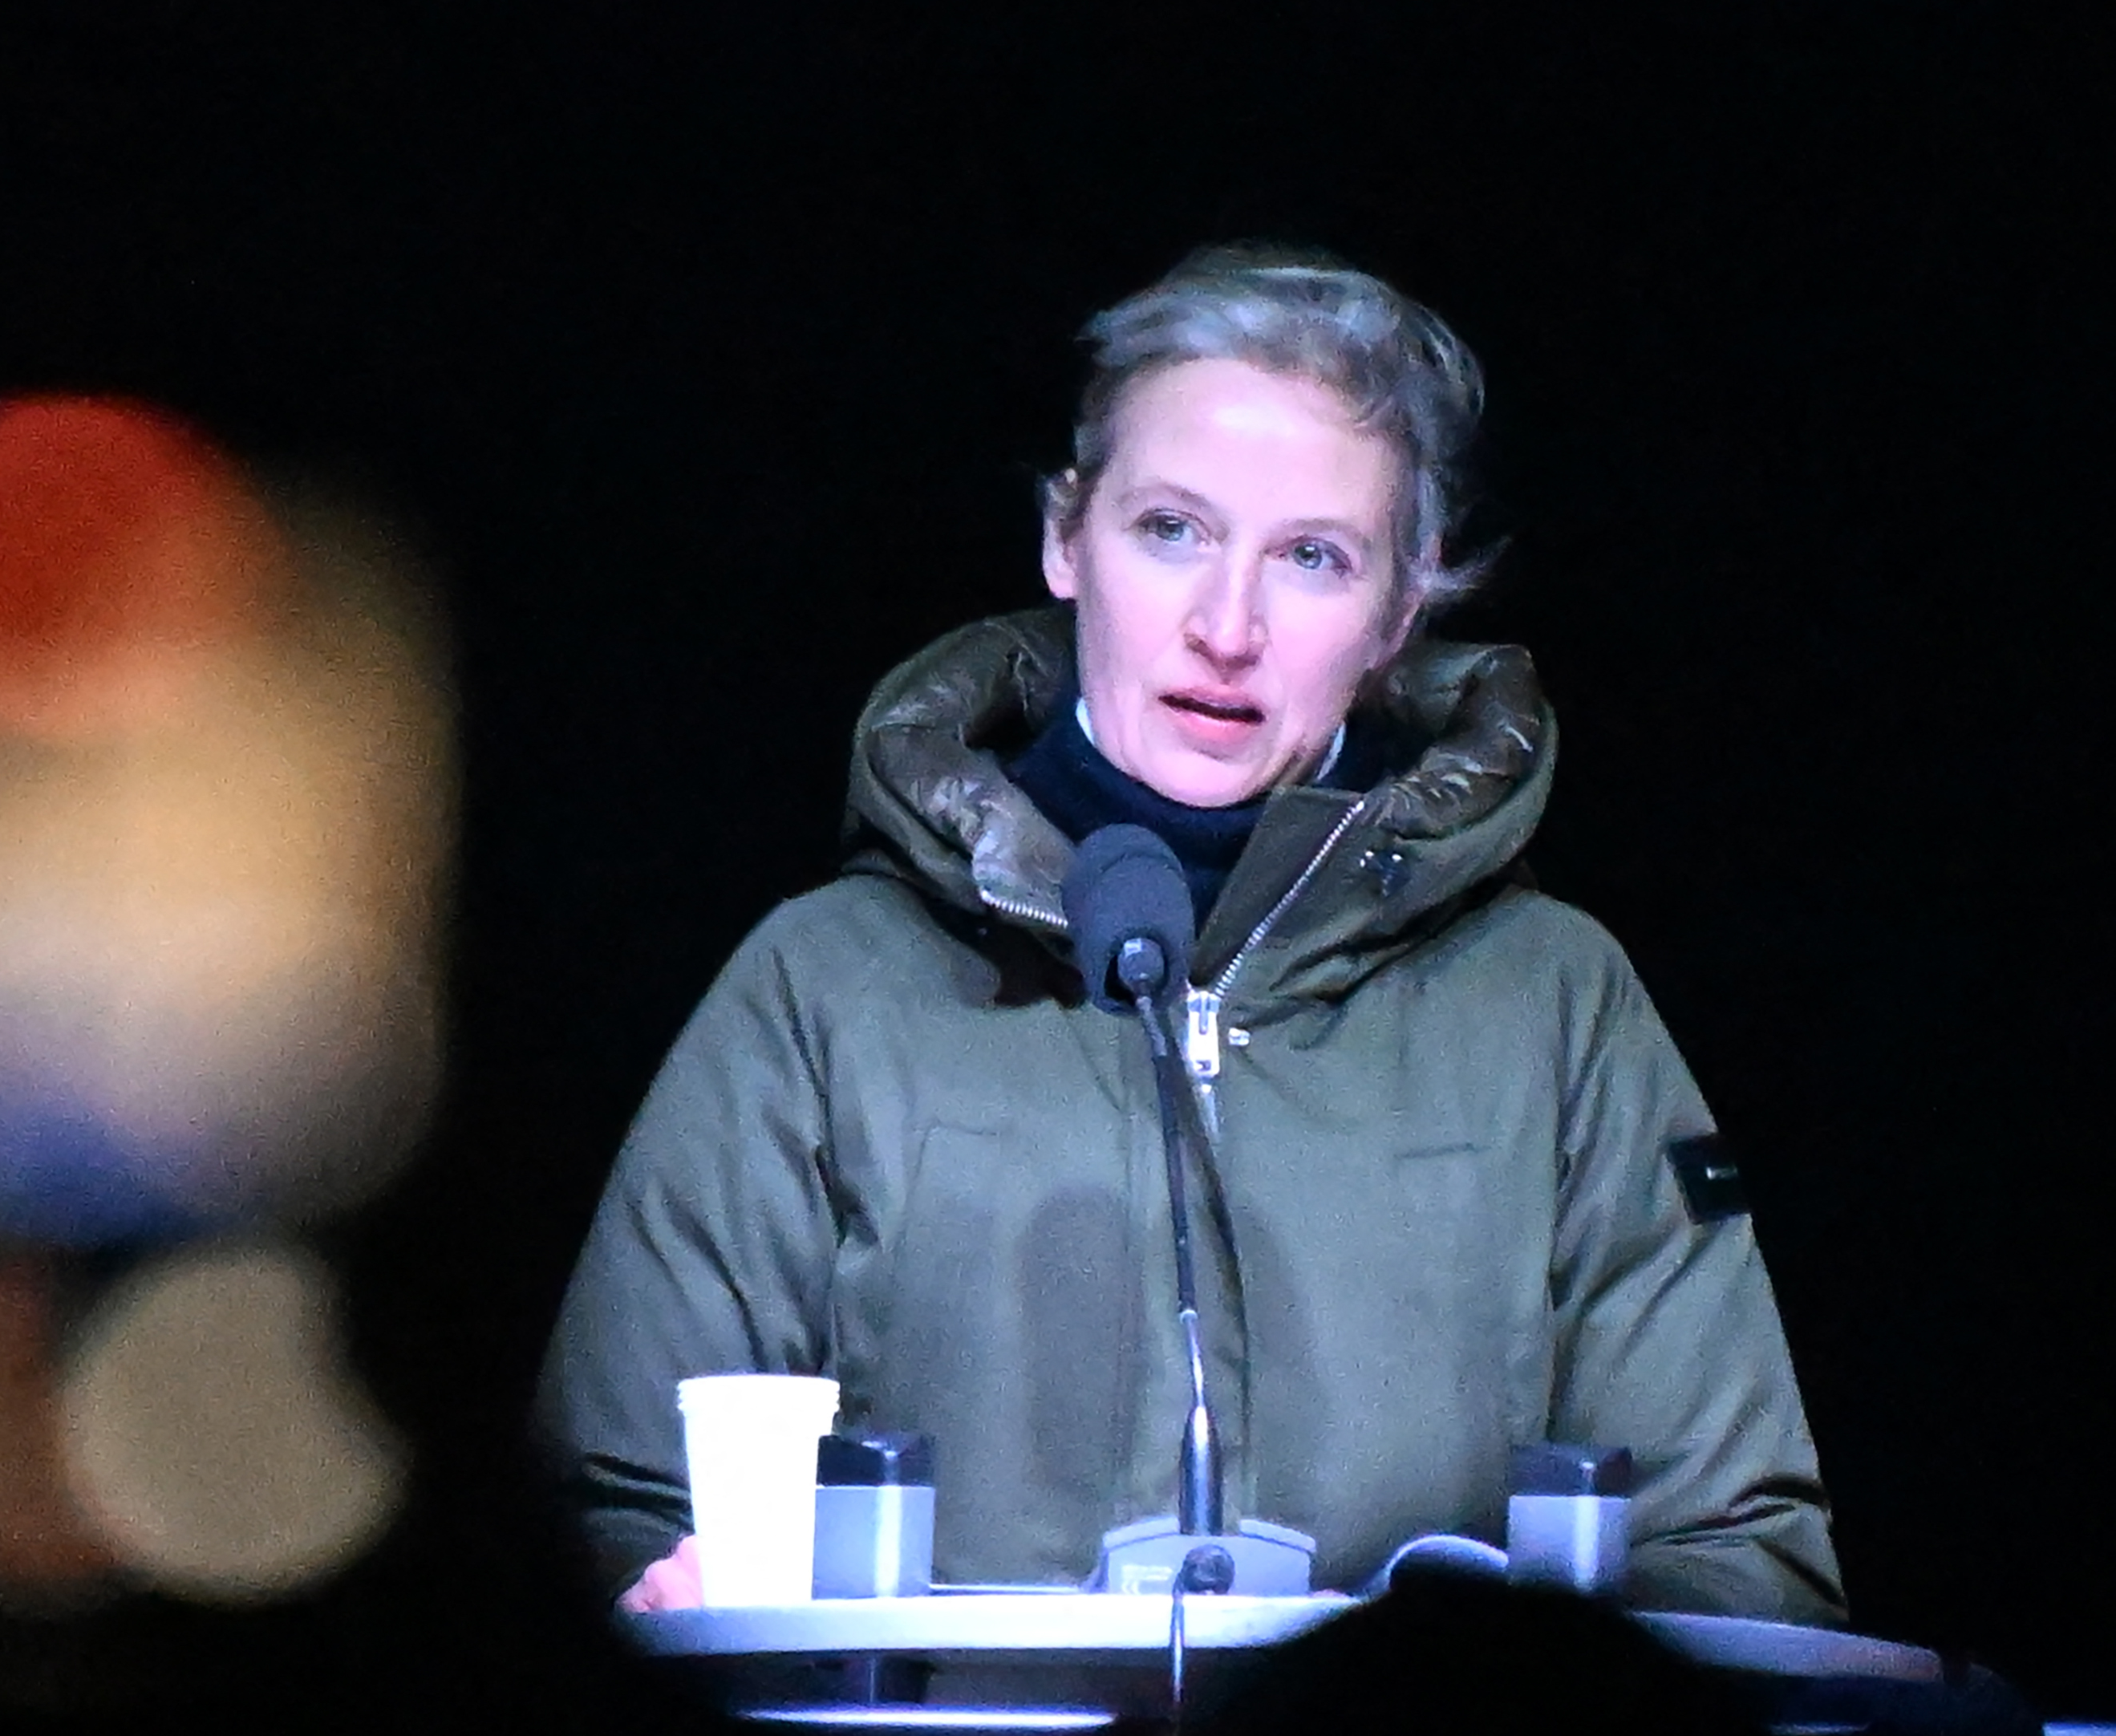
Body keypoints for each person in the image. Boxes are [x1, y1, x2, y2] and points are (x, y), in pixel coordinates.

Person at [537, 245, 1842, 1624]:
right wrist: (659, 1603)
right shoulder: (824, 987)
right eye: (1173, 530)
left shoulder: (1552, 1004)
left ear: (1404, 608)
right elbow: (608, 1504)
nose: (1228, 626)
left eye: (1314, 559)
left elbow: (1736, 1550)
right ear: (1065, 537)